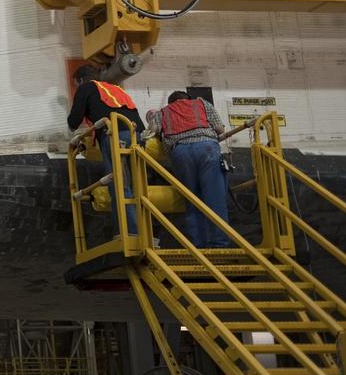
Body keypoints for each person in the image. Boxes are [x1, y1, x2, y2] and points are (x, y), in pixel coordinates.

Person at [67, 65, 146, 236]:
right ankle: (143, 232)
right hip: (136, 135)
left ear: (81, 80)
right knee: (136, 185)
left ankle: (131, 233)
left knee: (119, 186)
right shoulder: (115, 89)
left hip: (114, 135)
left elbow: (74, 121)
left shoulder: (86, 87)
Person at [160, 90, 232, 248]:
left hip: (180, 153)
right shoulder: (201, 103)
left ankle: (198, 246)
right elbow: (220, 129)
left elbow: (157, 134)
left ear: (171, 102)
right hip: (206, 147)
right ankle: (219, 244)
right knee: (215, 198)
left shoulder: (163, 112)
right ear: (188, 99)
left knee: (192, 200)